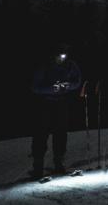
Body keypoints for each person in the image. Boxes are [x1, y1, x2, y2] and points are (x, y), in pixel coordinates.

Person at [30, 45, 82, 178]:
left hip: (62, 102)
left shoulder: (70, 65)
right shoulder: (45, 66)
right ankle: (38, 165)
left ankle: (59, 162)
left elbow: (77, 80)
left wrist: (68, 86)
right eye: (59, 56)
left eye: (64, 56)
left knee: (61, 132)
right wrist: (52, 89)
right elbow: (35, 87)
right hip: (45, 103)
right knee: (41, 133)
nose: (61, 59)